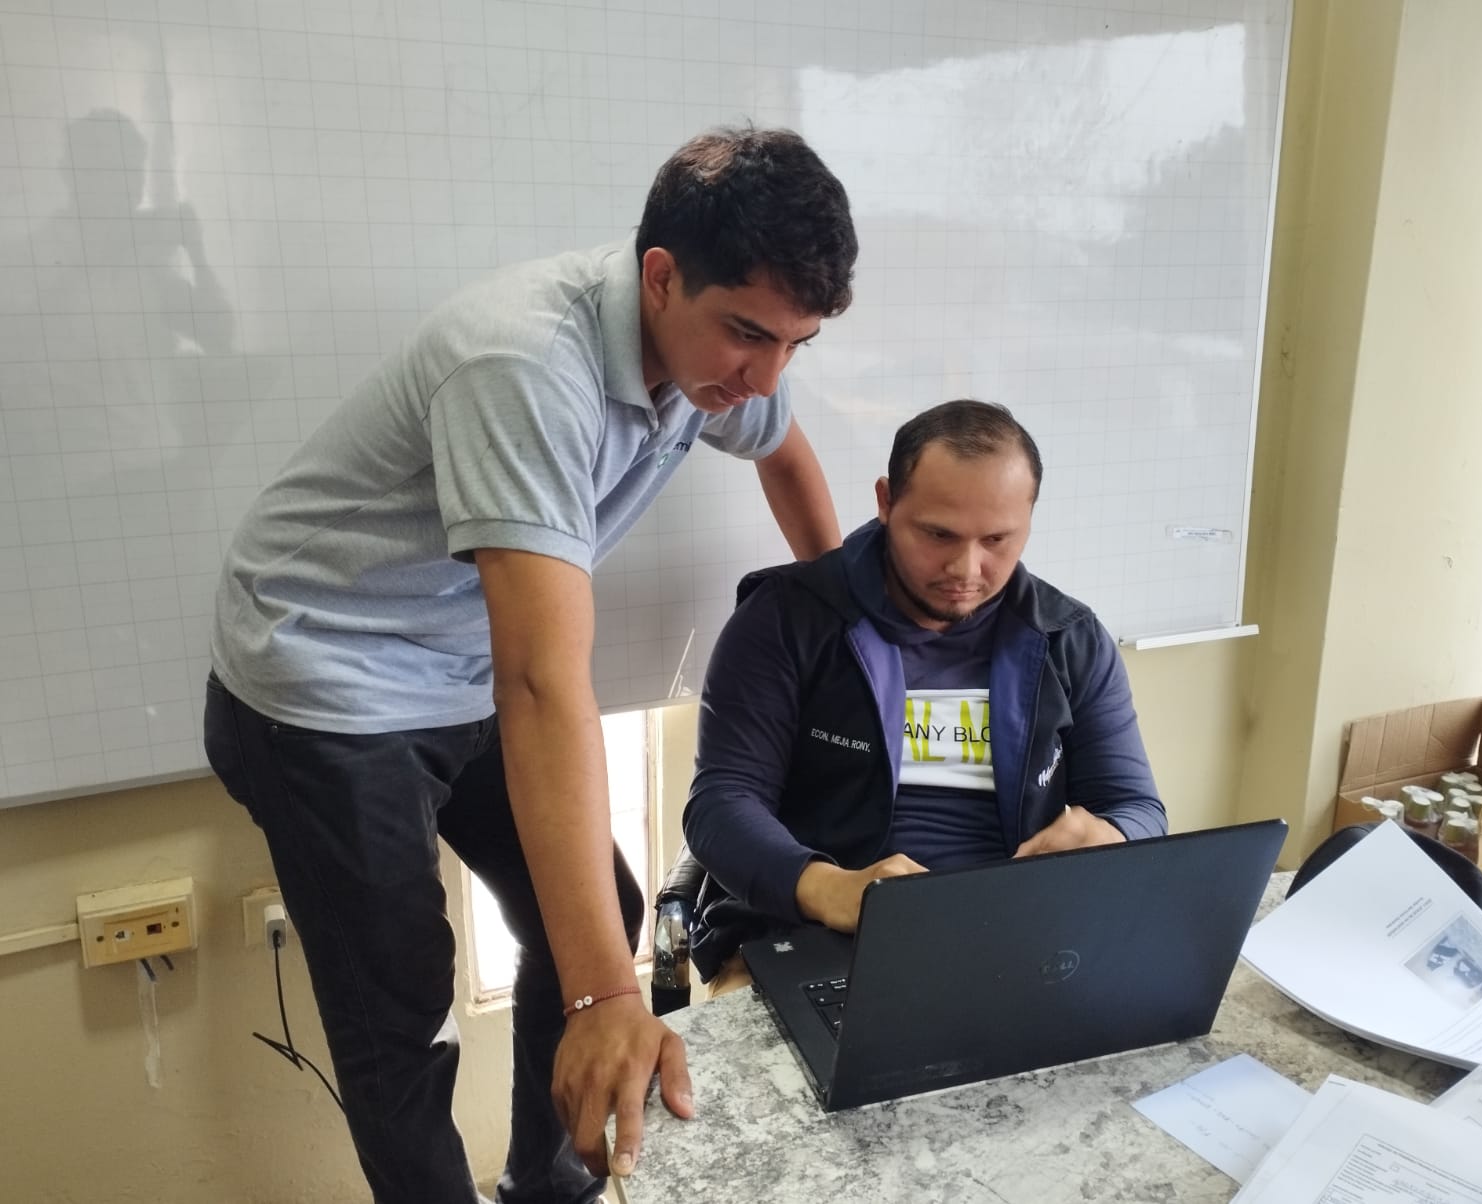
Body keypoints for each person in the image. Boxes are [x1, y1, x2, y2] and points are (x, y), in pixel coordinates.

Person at [201, 126, 857, 1204]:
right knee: (400, 1011)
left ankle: (549, 1191)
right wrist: (606, 1000)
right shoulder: (524, 364)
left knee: (600, 905)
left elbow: (783, 452)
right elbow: (544, 682)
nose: (766, 376)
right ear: (660, 277)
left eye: (797, 344)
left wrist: (846, 616)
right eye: (749, 335)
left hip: (455, 663)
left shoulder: (725, 363)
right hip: (323, 679)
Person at [681, 400, 1167, 989]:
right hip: (815, 932)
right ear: (886, 501)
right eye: (939, 535)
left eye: (997, 539)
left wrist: (1109, 836)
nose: (967, 569)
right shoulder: (785, 620)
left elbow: (1138, 808)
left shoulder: (1069, 638)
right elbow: (721, 804)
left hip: (1019, 935)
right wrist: (831, 888)